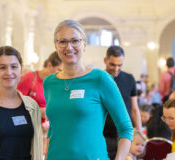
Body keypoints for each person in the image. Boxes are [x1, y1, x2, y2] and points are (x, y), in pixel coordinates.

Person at [43, 20, 133, 160]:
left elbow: (126, 128)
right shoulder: (49, 83)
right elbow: (53, 128)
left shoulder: (101, 79)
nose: (69, 46)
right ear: (56, 45)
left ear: (84, 44)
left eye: (75, 41)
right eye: (63, 42)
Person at [17, 51, 62, 154]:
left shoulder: (57, 83)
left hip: (48, 130)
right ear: (50, 65)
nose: (61, 73)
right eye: (59, 70)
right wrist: (38, 110)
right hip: (29, 129)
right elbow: (16, 103)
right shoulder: (30, 78)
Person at [103, 45, 142, 159]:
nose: (116, 69)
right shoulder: (100, 79)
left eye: (119, 65)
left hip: (125, 134)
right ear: (105, 61)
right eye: (112, 64)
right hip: (104, 134)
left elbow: (134, 109)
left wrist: (139, 133)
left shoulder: (129, 79)